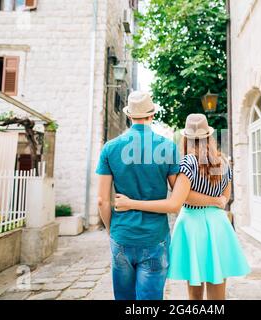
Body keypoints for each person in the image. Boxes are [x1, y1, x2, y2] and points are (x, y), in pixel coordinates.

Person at [96, 92, 226, 300]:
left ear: (129, 116)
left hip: (122, 233)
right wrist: (216, 198)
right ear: (152, 114)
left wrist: (113, 230)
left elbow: (102, 200)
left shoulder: (110, 148)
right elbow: (179, 197)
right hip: (154, 236)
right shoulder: (168, 148)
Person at [115, 113, 251, 300]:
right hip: (219, 225)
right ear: (209, 136)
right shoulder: (223, 161)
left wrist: (130, 203)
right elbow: (225, 195)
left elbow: (183, 197)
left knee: (195, 291)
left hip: (192, 226)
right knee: (218, 286)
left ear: (186, 137)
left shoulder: (188, 162)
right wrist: (218, 201)